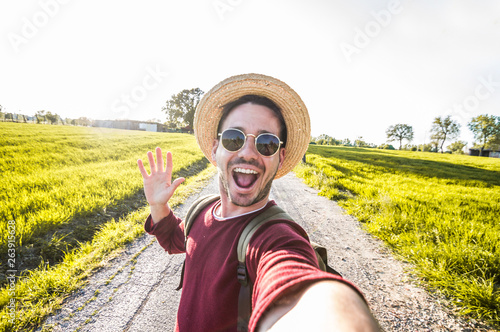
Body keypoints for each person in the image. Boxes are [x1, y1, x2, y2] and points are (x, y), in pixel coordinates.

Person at [137, 73, 380, 332]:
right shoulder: (203, 210)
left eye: (266, 143)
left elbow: (293, 278)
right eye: (234, 138)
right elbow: (177, 239)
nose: (248, 152)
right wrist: (158, 206)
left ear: (281, 157)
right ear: (214, 148)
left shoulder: (275, 238)